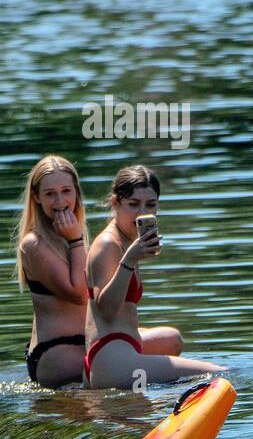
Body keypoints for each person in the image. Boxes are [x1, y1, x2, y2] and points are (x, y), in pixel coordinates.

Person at [84, 165, 225, 389]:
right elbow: (107, 310)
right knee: (221, 377)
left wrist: (132, 257)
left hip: (121, 354)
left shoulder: (127, 240)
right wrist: (129, 261)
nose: (142, 213)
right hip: (112, 363)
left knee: (173, 338)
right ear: (115, 203)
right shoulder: (108, 244)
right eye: (133, 204)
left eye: (150, 204)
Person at [16, 155, 88, 386]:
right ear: (36, 197)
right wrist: (76, 240)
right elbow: (79, 294)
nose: (60, 200)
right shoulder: (33, 244)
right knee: (136, 364)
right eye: (50, 194)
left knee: (170, 339)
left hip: (89, 344)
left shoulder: (71, 236)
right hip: (56, 353)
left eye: (66, 190)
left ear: (76, 192)